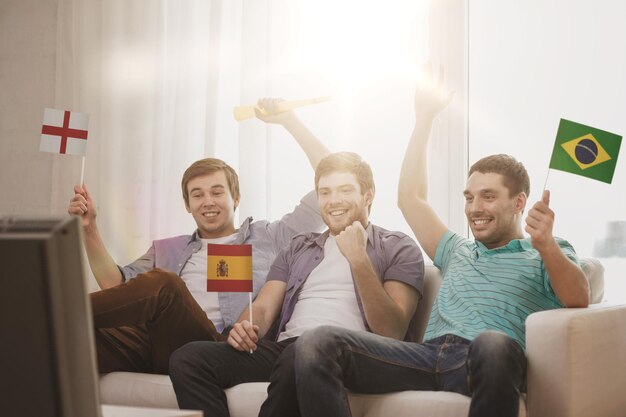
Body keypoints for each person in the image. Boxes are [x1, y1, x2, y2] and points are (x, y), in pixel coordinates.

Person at [288, 64, 590, 417]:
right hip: (425, 356)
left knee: (493, 343)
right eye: (469, 197)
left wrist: (547, 245)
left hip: (483, 360)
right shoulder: (457, 249)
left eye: (488, 197)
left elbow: (577, 296)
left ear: (519, 202)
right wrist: (424, 120)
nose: (475, 208)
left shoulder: (545, 251)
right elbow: (411, 199)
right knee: (315, 343)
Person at [68, 99, 330, 375]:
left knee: (165, 284)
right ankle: (47, 324)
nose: (208, 201)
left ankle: (55, 309)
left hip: (222, 347)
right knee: (75, 341)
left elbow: (330, 182)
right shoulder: (168, 249)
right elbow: (116, 286)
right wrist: (89, 228)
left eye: (217, 192)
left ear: (236, 198)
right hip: (161, 343)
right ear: (187, 204)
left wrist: (291, 121)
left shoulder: (270, 236)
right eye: (197, 194)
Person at [169, 152, 425, 417]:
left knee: (305, 350)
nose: (333, 200)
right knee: (188, 358)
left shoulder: (398, 246)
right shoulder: (298, 247)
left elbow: (391, 331)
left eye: (345, 190)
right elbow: (265, 308)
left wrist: (359, 258)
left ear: (368, 195)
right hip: (287, 348)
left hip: (350, 352)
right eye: (325, 192)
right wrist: (245, 327)